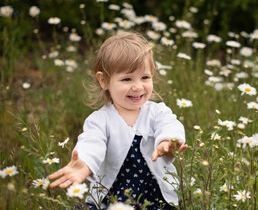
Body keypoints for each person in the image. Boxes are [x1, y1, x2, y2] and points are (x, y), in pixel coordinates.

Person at [48, 31, 188, 210]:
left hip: (154, 195)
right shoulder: (100, 120)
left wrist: (167, 142)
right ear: (104, 81)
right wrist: (83, 163)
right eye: (127, 79)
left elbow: (170, 124)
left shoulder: (157, 111)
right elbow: (91, 143)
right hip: (113, 196)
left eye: (145, 77)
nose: (137, 86)